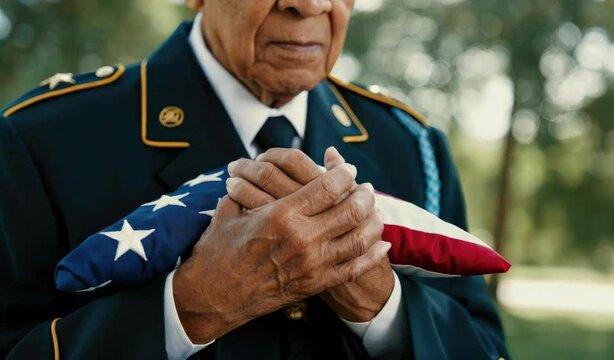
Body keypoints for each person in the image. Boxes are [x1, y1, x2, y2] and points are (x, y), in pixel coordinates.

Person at [0, 0, 510, 359]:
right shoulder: (44, 141)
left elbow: (486, 349)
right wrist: (194, 306)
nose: (309, 4)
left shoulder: (413, 147)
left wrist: (383, 307)